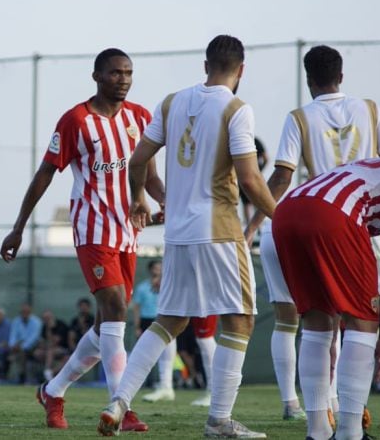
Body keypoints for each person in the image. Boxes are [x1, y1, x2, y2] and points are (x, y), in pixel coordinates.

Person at [98, 35, 277, 438]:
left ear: (205, 65)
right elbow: (249, 177)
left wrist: (138, 199)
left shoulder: (172, 101)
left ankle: (118, 401)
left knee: (169, 321)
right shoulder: (236, 108)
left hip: (178, 233)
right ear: (241, 70)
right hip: (220, 230)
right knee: (241, 319)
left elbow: (139, 158)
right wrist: (278, 217)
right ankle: (218, 421)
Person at [1, 48, 163, 432]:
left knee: (109, 323)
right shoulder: (76, 121)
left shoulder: (140, 118)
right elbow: (45, 173)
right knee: (116, 307)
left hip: (128, 232)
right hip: (92, 229)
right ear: (96, 76)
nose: (122, 79)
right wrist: (19, 226)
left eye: (128, 72)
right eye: (114, 73)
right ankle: (121, 407)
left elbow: (150, 176)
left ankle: (53, 391)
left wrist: (166, 200)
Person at [244, 45, 380, 431]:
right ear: (341, 76)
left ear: (309, 79)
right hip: (363, 226)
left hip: (315, 223)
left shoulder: (299, 117)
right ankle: (351, 413)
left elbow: (281, 177)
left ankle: (319, 417)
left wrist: (250, 229)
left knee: (315, 321)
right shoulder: (370, 108)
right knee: (361, 320)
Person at [273, 158, 380, 440]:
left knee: (316, 324)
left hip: (287, 210)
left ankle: (318, 432)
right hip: (334, 214)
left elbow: (373, 191)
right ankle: (349, 433)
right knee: (363, 325)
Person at [133, 260, 177, 402]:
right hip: (147, 320)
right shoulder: (142, 287)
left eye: (160, 267)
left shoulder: (169, 285)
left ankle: (166, 385)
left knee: (167, 351)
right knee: (145, 353)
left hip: (164, 318)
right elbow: (137, 308)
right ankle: (145, 382)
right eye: (155, 268)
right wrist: (137, 326)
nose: (157, 270)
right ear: (150, 269)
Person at [8, 303, 42, 384]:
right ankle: (2, 376)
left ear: (30, 312)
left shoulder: (36, 322)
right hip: (18, 346)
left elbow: (34, 338)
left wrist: (22, 347)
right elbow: (13, 335)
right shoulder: (16, 321)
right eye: (23, 311)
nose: (25, 313)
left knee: (22, 353)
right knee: (6, 351)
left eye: (27, 311)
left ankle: (22, 376)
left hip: (33, 346)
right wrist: (12, 345)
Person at [34, 309, 70, 382]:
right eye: (44, 319)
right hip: (49, 349)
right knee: (37, 353)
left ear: (52, 317)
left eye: (48, 318)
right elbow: (42, 343)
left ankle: (47, 372)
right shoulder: (44, 327)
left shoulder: (60, 325)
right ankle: (47, 373)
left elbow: (54, 342)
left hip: (63, 349)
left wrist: (49, 329)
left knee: (50, 352)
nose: (46, 320)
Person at [241, 137, 268, 225]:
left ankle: (251, 226)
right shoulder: (252, 141)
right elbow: (266, 158)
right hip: (251, 175)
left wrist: (259, 170)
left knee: (250, 202)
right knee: (252, 202)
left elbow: (266, 158)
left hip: (248, 175)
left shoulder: (251, 141)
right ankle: (253, 226)